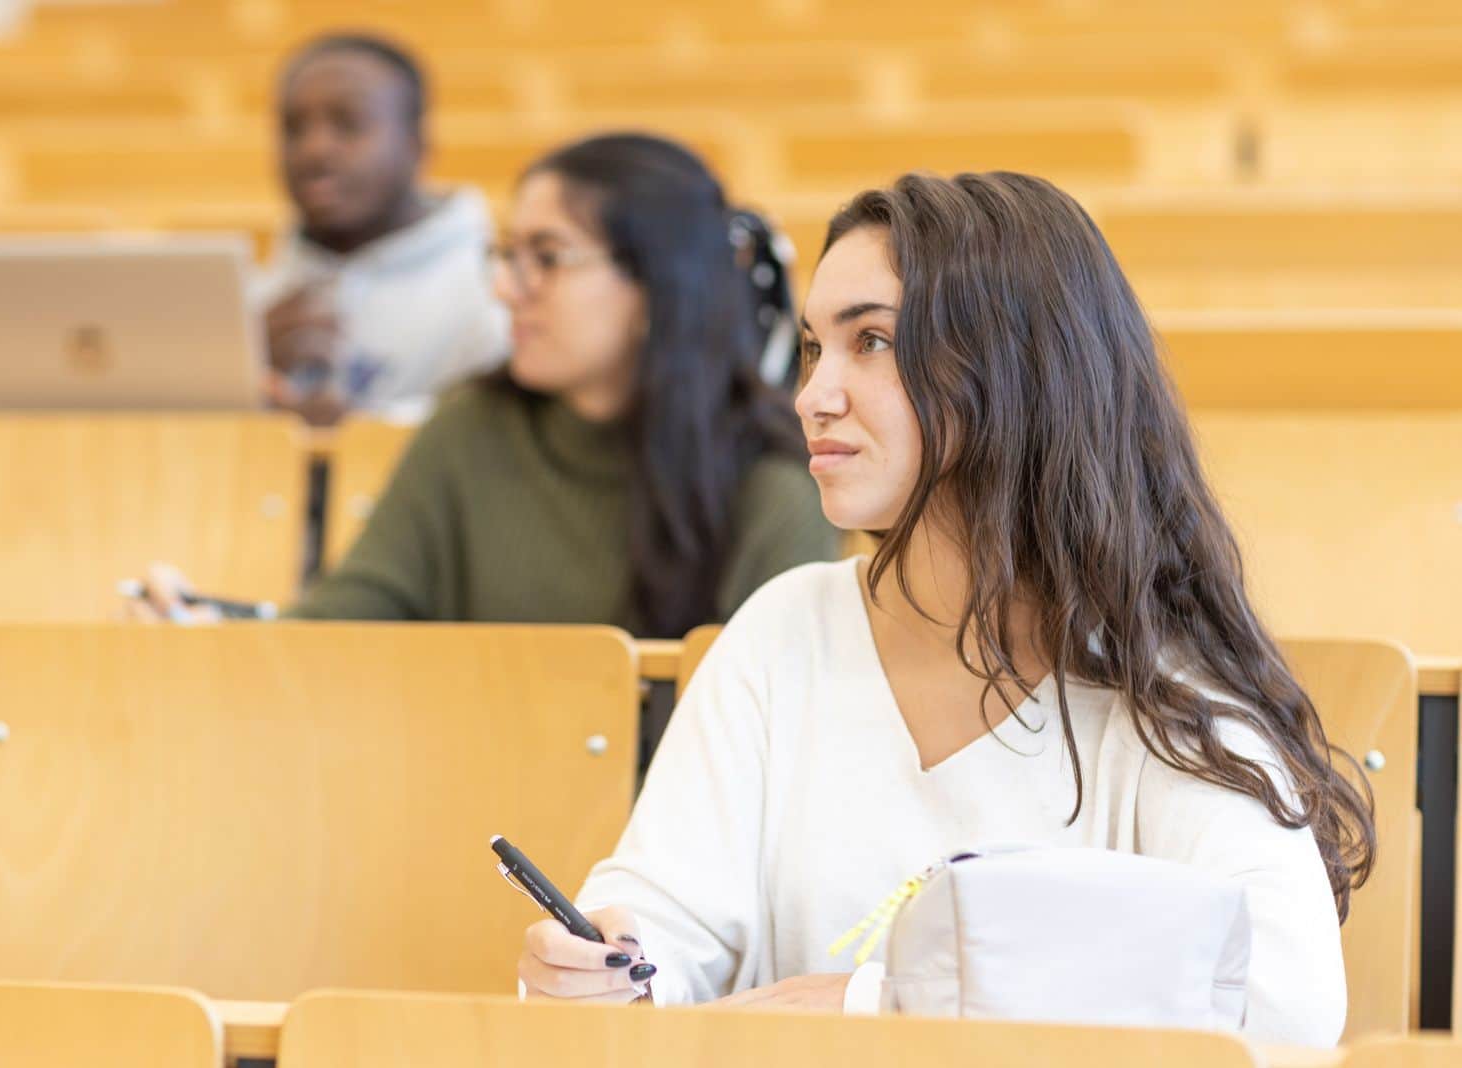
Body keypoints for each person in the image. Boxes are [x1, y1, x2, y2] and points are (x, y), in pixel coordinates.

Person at [514, 171, 1373, 1047]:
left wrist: (878, 1004)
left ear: (1017, 366)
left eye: (874, 341)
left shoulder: (1162, 682)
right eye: (815, 347)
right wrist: (608, 965)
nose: (814, 395)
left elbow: (1286, 997)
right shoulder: (785, 627)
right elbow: (664, 920)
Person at [142, 133, 839, 639]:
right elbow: (347, 622)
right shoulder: (469, 427)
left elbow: (772, 735)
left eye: (547, 258)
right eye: (507, 256)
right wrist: (210, 629)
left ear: (656, 288)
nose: (506, 288)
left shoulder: (773, 476)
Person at [260, 33, 507, 425]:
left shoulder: (494, 293)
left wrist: (353, 432)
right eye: (294, 128)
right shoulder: (262, 296)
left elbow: (496, 441)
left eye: (348, 123)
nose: (315, 148)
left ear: (416, 143)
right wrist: (243, 374)